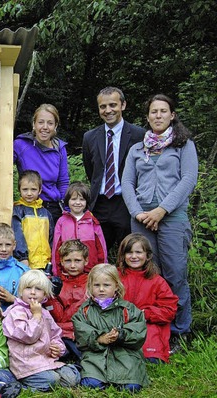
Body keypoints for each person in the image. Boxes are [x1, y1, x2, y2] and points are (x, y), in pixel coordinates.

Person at [121, 93, 197, 351]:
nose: (158, 116)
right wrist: (137, 212)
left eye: (163, 111)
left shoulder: (183, 146)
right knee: (147, 275)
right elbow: (128, 184)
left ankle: (179, 331)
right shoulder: (137, 149)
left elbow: (188, 180)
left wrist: (161, 210)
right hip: (141, 220)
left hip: (172, 218)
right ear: (147, 116)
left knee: (175, 274)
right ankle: (150, 329)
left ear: (172, 115)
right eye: (153, 111)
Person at [82, 87, 146, 251]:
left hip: (126, 203)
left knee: (130, 253)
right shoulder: (90, 137)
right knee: (96, 254)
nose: (108, 110)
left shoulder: (139, 135)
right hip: (100, 204)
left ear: (123, 105)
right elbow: (91, 170)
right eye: (103, 106)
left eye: (113, 105)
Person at [72, 263, 148, 392]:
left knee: (131, 387)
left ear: (116, 286)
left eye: (106, 285)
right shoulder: (85, 310)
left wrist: (121, 335)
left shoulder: (127, 309)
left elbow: (138, 331)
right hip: (96, 356)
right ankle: (98, 377)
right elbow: (81, 330)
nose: (101, 289)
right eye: (97, 285)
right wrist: (99, 338)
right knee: (90, 384)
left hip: (125, 354)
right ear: (90, 286)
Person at [2, 270, 80, 391]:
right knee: (52, 379)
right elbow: (28, 336)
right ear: (21, 291)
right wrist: (36, 317)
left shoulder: (45, 312)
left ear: (45, 294)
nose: (33, 292)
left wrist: (58, 348)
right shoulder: (15, 312)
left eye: (38, 289)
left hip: (47, 360)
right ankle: (21, 387)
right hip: (27, 364)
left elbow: (56, 334)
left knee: (72, 378)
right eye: (28, 288)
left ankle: (49, 380)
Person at [117, 233, 178, 363]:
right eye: (129, 252)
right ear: (123, 255)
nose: (134, 257)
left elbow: (169, 310)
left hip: (148, 325)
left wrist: (146, 314)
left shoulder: (157, 281)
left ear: (148, 255)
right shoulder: (115, 276)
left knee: (151, 358)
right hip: (120, 323)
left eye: (138, 252)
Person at [13, 103, 69, 221]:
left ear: (55, 126)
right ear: (34, 124)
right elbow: (3, 168)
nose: (45, 127)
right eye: (41, 122)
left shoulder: (60, 148)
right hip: (29, 206)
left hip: (53, 208)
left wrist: (67, 210)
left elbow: (63, 182)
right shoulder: (21, 144)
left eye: (50, 123)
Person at [46, 240, 89, 361]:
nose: (73, 265)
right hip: (61, 331)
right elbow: (57, 317)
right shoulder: (57, 283)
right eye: (68, 261)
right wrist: (51, 297)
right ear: (61, 262)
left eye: (77, 261)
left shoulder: (92, 283)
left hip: (83, 330)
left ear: (86, 261)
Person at [51, 182, 107, 275]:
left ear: (86, 202)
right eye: (73, 199)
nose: (77, 202)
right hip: (68, 272)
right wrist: (56, 272)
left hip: (90, 272)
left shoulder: (92, 221)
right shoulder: (61, 221)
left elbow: (102, 247)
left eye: (81, 199)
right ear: (67, 201)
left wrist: (103, 270)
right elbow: (56, 248)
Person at [12, 170, 54, 269]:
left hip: (45, 263)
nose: (29, 193)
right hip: (26, 263)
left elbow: (52, 238)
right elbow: (17, 235)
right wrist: (23, 257)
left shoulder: (46, 213)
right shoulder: (18, 211)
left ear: (40, 190)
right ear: (19, 190)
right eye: (25, 189)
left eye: (33, 189)